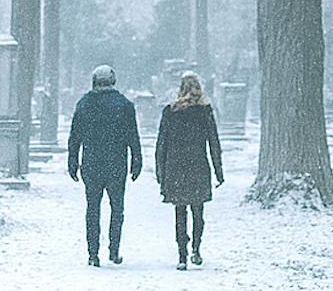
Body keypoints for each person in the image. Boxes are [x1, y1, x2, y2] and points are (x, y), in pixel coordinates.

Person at [66, 65, 143, 266]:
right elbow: (132, 137)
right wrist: (136, 160)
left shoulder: (84, 104)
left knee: (92, 208)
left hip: (92, 163)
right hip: (116, 163)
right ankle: (114, 250)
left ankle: (93, 253)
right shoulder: (124, 105)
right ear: (113, 81)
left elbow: (75, 136)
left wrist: (73, 161)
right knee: (117, 208)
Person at [155, 70, 225, 270]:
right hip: (198, 166)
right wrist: (218, 171)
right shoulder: (205, 112)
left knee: (180, 211)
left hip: (176, 167)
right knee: (198, 210)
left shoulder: (170, 111)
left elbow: (162, 144)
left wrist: (161, 171)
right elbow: (213, 142)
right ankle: (196, 248)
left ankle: (181, 255)